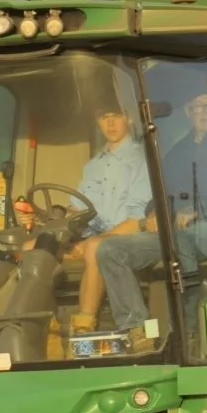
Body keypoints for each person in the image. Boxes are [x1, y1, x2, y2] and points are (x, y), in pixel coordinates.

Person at [96, 87, 207, 348]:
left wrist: (197, 208)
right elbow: (161, 191)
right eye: (197, 107)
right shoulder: (176, 153)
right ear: (187, 113)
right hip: (178, 233)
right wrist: (153, 213)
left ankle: (187, 331)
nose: (204, 112)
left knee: (180, 241)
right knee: (110, 249)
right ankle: (136, 330)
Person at [66, 96, 152, 335]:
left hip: (128, 237)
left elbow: (137, 220)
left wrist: (91, 242)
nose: (111, 124)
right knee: (36, 246)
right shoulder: (93, 165)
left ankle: (84, 326)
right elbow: (78, 209)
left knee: (95, 247)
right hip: (93, 234)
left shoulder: (143, 160)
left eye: (117, 116)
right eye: (105, 118)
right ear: (98, 122)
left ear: (131, 118)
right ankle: (42, 330)